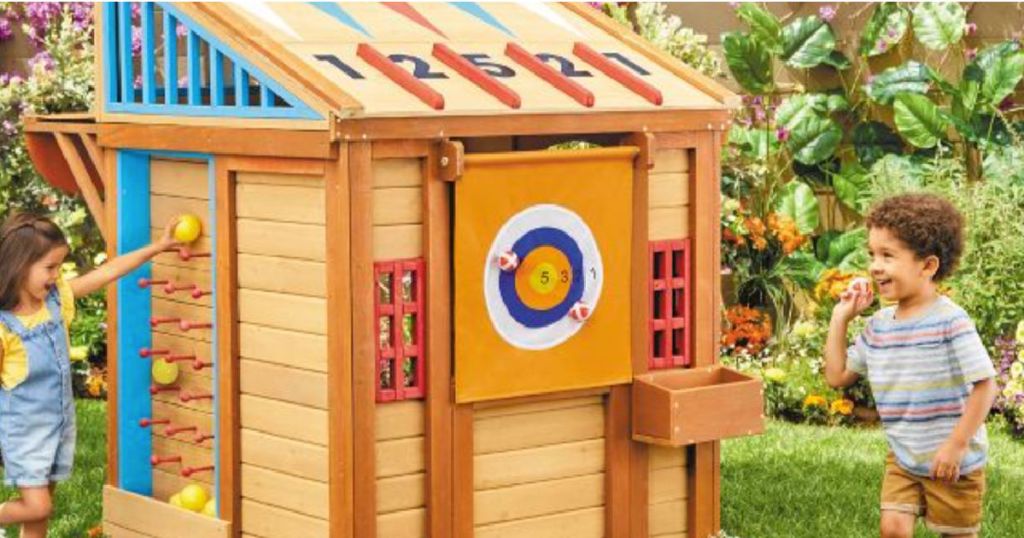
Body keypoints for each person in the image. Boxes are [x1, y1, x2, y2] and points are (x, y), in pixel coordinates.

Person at [825, 193, 998, 538]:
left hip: (954, 463)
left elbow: (985, 384)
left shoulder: (951, 321)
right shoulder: (879, 326)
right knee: (892, 529)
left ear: (928, 265)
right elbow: (837, 376)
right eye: (872, 254)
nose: (875, 266)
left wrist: (957, 444)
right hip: (904, 458)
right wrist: (840, 317)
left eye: (888, 255)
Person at [0, 212, 179, 538]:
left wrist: (157, 247)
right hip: (23, 433)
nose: (56, 275)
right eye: (49, 268)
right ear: (20, 265)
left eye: (59, 266)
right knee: (37, 506)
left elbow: (107, 272)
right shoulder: (4, 327)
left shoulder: (56, 302)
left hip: (58, 426)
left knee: (41, 514)